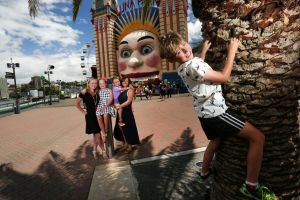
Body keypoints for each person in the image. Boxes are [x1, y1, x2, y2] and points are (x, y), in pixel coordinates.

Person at [159, 32, 275, 199]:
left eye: (184, 44)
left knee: (215, 141)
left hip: (204, 115)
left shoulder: (184, 68)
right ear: (171, 58)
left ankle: (204, 172)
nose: (185, 50)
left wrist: (204, 52)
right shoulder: (193, 66)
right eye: (179, 52)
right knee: (258, 138)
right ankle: (251, 184)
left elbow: (198, 65)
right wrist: (232, 51)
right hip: (217, 113)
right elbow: (223, 77)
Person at [75, 78, 106, 160]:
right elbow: (77, 104)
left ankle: (94, 151)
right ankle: (103, 151)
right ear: (88, 83)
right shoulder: (84, 92)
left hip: (98, 115)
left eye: (95, 83)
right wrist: (83, 112)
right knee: (98, 135)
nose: (94, 85)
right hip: (90, 117)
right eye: (92, 83)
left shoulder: (97, 92)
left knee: (95, 135)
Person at [114, 77, 140, 153]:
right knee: (122, 129)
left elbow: (129, 101)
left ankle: (130, 146)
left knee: (128, 129)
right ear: (121, 82)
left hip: (127, 112)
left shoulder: (130, 90)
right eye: (124, 81)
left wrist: (120, 106)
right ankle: (126, 143)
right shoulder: (121, 90)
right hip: (120, 112)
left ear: (129, 82)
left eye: (127, 81)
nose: (125, 82)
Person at [96, 79, 115, 155]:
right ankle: (103, 133)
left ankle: (106, 130)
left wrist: (106, 106)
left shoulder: (109, 90)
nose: (101, 85)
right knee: (98, 117)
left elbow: (111, 99)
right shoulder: (98, 91)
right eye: (100, 84)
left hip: (108, 105)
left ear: (105, 83)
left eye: (103, 83)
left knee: (106, 114)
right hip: (100, 106)